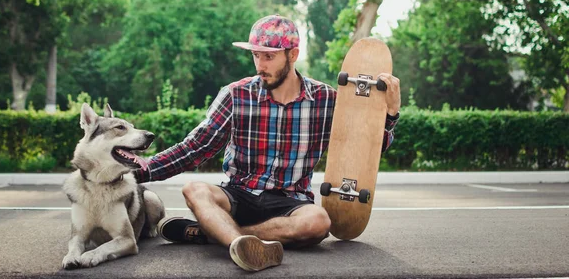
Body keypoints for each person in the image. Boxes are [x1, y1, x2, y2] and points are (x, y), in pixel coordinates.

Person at [133, 15, 401, 272]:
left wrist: (389, 115)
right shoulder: (236, 95)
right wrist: (142, 169)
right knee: (195, 190)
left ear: (293, 55)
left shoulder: (326, 100)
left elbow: (361, 152)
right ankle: (241, 244)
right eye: (256, 55)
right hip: (238, 194)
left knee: (319, 222)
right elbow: (194, 149)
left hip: (290, 201)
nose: (260, 65)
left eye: (269, 56)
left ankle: (213, 234)